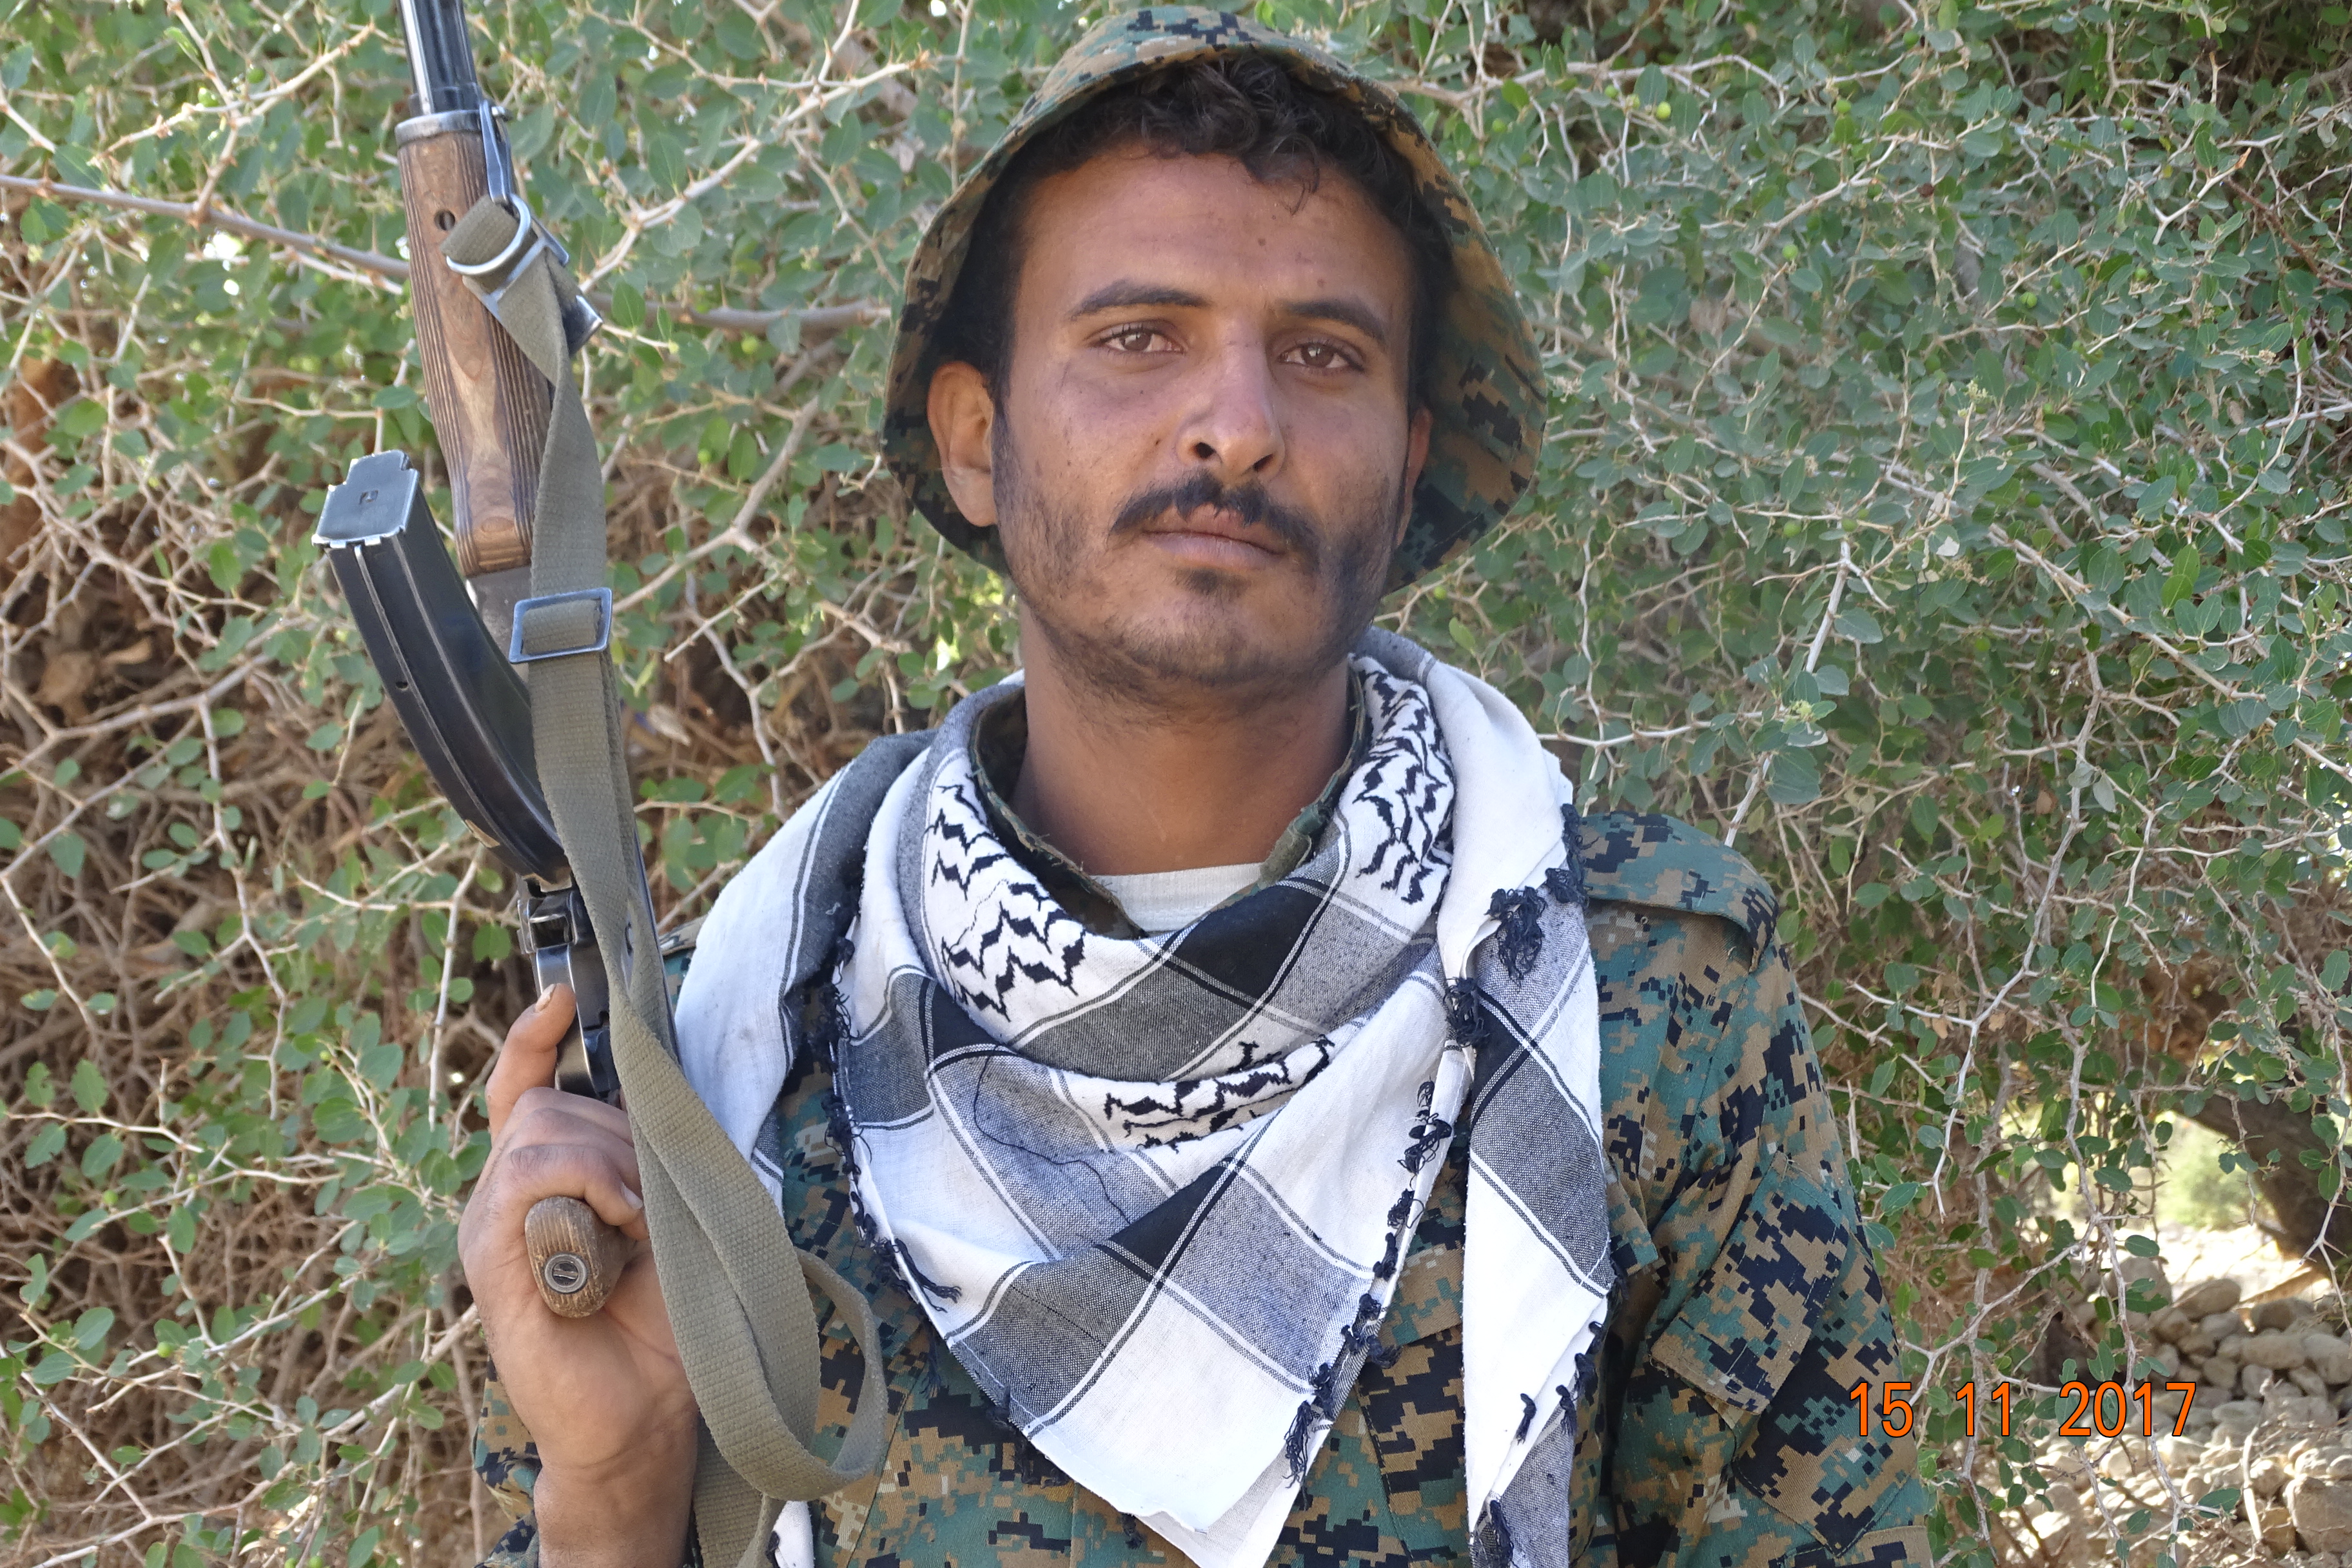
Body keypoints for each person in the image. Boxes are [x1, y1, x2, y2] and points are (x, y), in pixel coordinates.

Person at [456, 11, 1927, 1568]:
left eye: (1323, 355)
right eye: (1139, 337)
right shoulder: (723, 1063)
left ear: (1407, 460)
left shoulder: (1634, 985)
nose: (1238, 424)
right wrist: (612, 1489)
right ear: (977, 438)